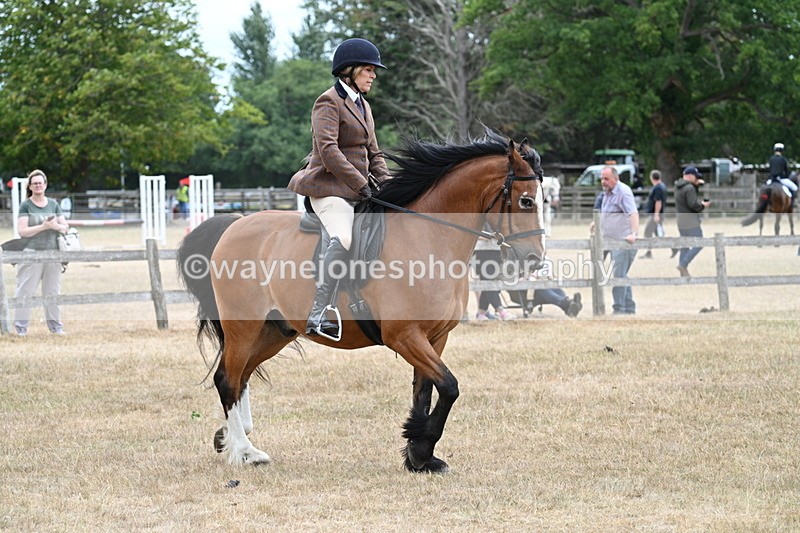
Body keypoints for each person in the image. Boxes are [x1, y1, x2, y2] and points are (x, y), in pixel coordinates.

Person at [287, 38, 390, 338]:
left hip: (357, 190)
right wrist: (361, 184)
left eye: (374, 71)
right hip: (327, 188)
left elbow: (375, 153)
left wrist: (388, 186)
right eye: (369, 70)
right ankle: (319, 313)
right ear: (349, 70)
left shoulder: (364, 106)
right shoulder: (328, 102)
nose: (373, 75)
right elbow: (329, 151)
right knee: (343, 236)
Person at [14, 169, 69, 336]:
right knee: (25, 291)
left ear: (45, 185)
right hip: (31, 253)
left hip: (53, 253)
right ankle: (21, 328)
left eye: (40, 182)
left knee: (52, 291)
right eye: (34, 183)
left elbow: (65, 228)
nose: (38, 185)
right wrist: (43, 227)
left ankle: (56, 327)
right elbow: (22, 231)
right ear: (30, 186)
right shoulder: (26, 205)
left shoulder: (53, 204)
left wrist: (55, 227)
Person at [590, 166, 639, 315]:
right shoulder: (607, 193)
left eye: (606, 179)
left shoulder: (623, 192)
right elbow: (607, 213)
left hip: (622, 241)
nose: (603, 182)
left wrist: (634, 233)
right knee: (621, 274)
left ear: (615, 179)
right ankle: (629, 307)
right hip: (608, 240)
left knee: (619, 275)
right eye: (601, 179)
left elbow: (633, 213)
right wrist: (596, 223)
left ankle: (619, 309)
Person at [674, 166, 710, 277]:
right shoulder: (689, 188)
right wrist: (703, 206)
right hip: (690, 221)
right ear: (690, 176)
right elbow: (693, 204)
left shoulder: (679, 186)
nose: (696, 179)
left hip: (681, 221)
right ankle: (683, 264)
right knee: (700, 243)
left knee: (685, 245)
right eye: (695, 177)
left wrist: (695, 185)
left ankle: (682, 272)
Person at [640, 170, 667, 259]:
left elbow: (658, 201)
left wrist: (656, 214)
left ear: (652, 178)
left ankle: (648, 252)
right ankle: (672, 248)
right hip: (656, 214)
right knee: (658, 234)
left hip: (654, 214)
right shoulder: (662, 186)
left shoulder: (658, 188)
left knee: (648, 232)